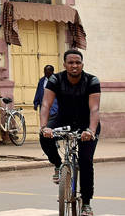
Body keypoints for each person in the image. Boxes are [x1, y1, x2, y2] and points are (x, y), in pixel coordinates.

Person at [39, 49, 100, 216]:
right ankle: (58, 165)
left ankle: (86, 203)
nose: (74, 65)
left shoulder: (92, 80)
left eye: (77, 62)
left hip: (86, 123)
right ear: (64, 64)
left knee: (86, 161)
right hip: (63, 119)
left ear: (82, 64)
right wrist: (44, 127)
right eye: (71, 62)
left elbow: (94, 109)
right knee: (43, 136)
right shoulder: (55, 79)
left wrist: (91, 130)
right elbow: (46, 104)